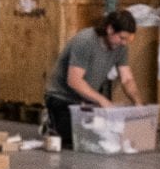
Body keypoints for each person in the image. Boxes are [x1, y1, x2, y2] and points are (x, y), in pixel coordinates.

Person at [43, 9, 141, 148]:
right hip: (62, 98)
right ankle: (50, 121)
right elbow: (74, 81)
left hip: (86, 100)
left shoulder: (121, 47)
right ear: (110, 29)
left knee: (105, 134)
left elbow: (127, 79)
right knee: (78, 138)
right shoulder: (85, 41)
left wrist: (138, 104)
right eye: (122, 37)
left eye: (128, 39)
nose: (124, 43)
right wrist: (103, 101)